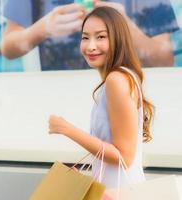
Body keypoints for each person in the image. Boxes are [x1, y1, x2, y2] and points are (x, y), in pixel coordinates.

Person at [48, 6, 154, 188]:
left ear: (117, 39)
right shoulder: (123, 77)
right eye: (85, 37)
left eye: (101, 37)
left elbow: (123, 157)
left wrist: (66, 129)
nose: (90, 46)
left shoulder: (116, 79)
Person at [1, 0, 179, 69]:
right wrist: (41, 29)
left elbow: (164, 61)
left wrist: (126, 29)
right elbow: (8, 48)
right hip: (59, 100)